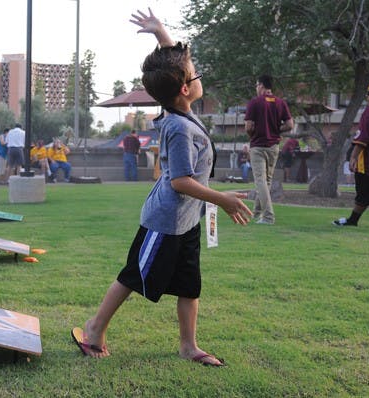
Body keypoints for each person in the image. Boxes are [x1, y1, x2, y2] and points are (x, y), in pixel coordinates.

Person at [71, 8, 251, 366]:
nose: (197, 80)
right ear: (184, 88)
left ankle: (188, 346)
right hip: (165, 220)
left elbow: (185, 77)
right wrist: (223, 199)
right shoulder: (179, 127)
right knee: (133, 275)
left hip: (186, 221)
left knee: (189, 283)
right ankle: (93, 330)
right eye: (191, 76)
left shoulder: (181, 107)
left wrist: (161, 34)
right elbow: (180, 181)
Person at [333, 80, 369, 227]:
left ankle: (352, 220)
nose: (367, 96)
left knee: (365, 189)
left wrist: (353, 157)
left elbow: (363, 136)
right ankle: (353, 220)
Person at [245, 74, 294, 224]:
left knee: (260, 181)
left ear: (261, 85)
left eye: (256, 85)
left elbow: (248, 126)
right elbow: (290, 125)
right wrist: (276, 130)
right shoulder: (280, 102)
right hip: (273, 147)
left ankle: (268, 216)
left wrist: (252, 134)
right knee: (266, 182)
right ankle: (256, 213)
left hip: (258, 146)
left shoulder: (255, 102)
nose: (256, 88)